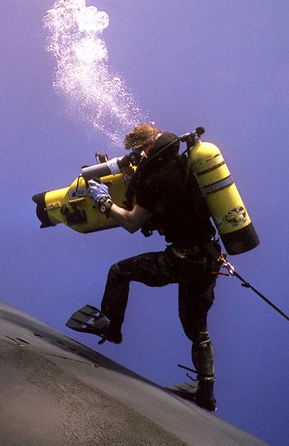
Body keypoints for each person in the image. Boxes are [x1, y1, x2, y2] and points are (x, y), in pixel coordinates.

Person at [87, 123, 222, 411]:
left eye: (135, 155)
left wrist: (103, 203)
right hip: (209, 257)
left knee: (119, 271)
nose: (134, 161)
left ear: (145, 149)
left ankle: (112, 327)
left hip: (182, 259)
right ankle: (206, 390)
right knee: (197, 328)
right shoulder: (181, 162)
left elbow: (133, 222)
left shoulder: (154, 179)